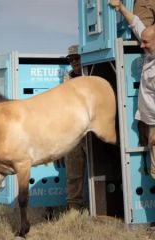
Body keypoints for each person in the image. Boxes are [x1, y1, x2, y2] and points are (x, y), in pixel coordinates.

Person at [109, 0, 155, 179]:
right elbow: (136, 23)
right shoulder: (150, 48)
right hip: (148, 120)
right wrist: (120, 7)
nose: (141, 46)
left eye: (145, 43)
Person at [64, 45, 87, 210]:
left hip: (93, 132)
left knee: (100, 168)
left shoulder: (92, 75)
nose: (74, 62)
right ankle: (74, 209)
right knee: (73, 173)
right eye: (71, 60)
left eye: (77, 58)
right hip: (74, 133)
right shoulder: (67, 80)